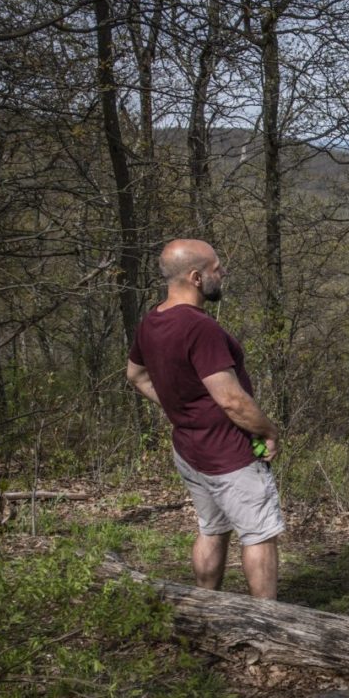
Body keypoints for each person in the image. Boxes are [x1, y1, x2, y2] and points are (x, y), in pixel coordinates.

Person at [126, 239, 285, 599]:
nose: (223, 273)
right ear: (196, 277)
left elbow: (136, 376)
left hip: (188, 450)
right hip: (228, 455)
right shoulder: (201, 329)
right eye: (216, 268)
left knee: (212, 528)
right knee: (259, 534)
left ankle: (205, 607)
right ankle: (267, 625)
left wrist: (178, 407)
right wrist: (269, 430)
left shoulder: (152, 321)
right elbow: (231, 401)